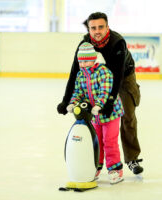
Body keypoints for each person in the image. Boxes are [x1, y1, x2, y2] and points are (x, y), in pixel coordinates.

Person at [57, 12, 143, 175]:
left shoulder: (117, 42)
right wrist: (65, 100)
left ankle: (132, 158)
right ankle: (97, 161)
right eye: (93, 28)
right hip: (97, 79)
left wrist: (110, 101)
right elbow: (75, 73)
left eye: (101, 27)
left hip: (124, 77)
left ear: (107, 27)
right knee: (96, 120)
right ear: (89, 29)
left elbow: (117, 76)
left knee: (127, 116)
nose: (97, 31)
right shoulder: (85, 44)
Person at [67, 42, 124, 184]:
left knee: (109, 141)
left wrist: (99, 105)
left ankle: (115, 169)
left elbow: (105, 91)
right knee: (96, 141)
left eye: (86, 61)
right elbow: (78, 92)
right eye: (81, 62)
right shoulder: (81, 75)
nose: (84, 64)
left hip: (110, 114)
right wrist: (73, 102)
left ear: (93, 59)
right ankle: (96, 166)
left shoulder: (104, 72)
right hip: (94, 116)